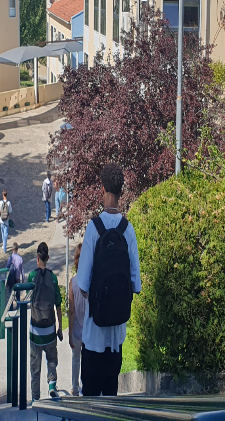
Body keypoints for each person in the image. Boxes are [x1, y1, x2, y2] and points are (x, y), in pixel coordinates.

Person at [76, 163, 141, 397]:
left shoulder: (94, 229)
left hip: (94, 335)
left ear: (103, 189)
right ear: (121, 191)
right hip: (116, 337)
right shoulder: (128, 230)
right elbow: (136, 284)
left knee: (91, 399)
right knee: (111, 399)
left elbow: (82, 284)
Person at [25, 242, 64, 402]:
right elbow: (59, 305)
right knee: (52, 359)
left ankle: (35, 397)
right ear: (48, 257)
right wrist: (60, 327)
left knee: (35, 365)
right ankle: (52, 386)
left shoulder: (32, 277)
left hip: (35, 331)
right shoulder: (53, 278)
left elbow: (27, 298)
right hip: (50, 330)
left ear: (37, 258)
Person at [68, 243, 85, 396]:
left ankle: (74, 387)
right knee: (87, 360)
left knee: (76, 359)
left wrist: (69, 332)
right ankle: (85, 384)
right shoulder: (91, 282)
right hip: (90, 330)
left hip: (77, 329)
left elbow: (71, 310)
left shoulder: (72, 282)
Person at [0, 190, 13, 254]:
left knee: (2, 232)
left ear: (3, 195)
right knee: (6, 234)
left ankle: (4, 245)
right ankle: (5, 246)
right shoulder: (9, 203)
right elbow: (10, 212)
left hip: (1, 220)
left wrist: (1, 215)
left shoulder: (1, 202)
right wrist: (7, 216)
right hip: (6, 220)